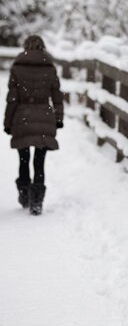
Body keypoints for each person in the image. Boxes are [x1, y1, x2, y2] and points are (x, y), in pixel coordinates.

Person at [3, 35, 63, 215]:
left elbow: (12, 99)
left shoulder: (17, 68)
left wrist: (8, 122)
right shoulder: (50, 68)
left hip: (22, 117)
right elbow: (57, 97)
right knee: (39, 161)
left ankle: (24, 193)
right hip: (44, 116)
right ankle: (37, 201)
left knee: (23, 158)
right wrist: (58, 118)